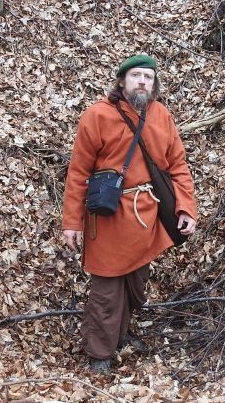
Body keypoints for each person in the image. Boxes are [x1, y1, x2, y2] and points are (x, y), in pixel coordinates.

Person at [62, 54, 197, 374]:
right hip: (108, 216)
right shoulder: (97, 116)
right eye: (136, 75)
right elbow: (78, 172)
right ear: (122, 81)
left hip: (146, 216)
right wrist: (72, 222)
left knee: (136, 285)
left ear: (154, 85)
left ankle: (120, 336)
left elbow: (178, 166)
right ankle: (100, 354)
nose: (142, 82)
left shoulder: (162, 116)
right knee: (107, 289)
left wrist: (186, 207)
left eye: (148, 77)